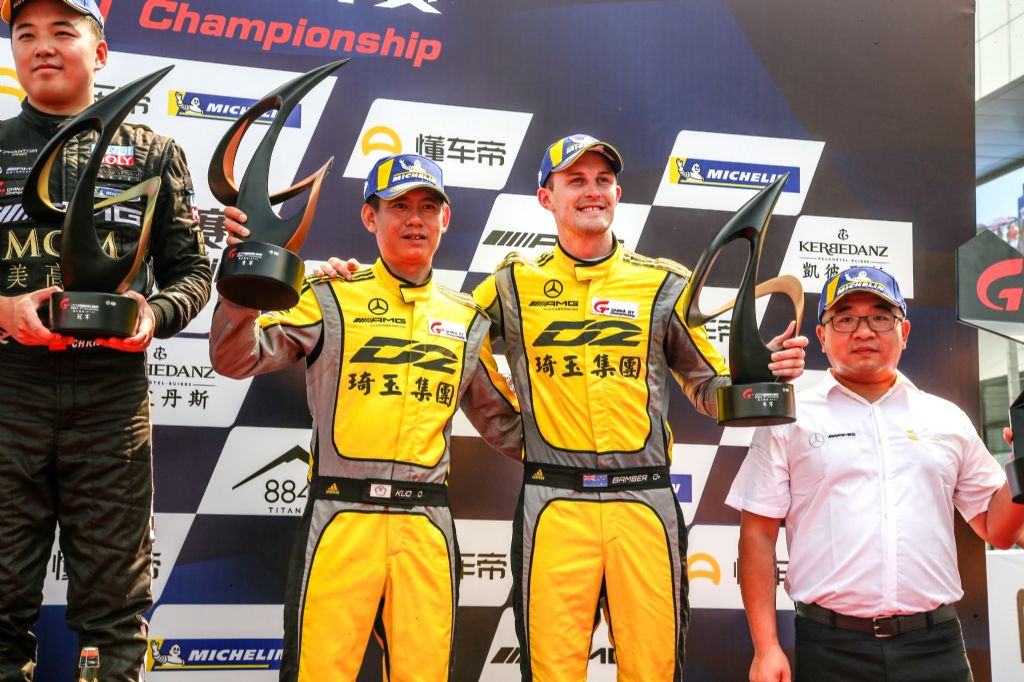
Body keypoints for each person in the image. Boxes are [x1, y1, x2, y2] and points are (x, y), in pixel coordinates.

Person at [311, 133, 808, 681]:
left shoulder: (663, 283)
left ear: (617, 193)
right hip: (554, 507)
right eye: (576, 180)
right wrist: (353, 287)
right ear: (547, 198)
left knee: (654, 671)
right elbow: (437, 329)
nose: (592, 191)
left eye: (602, 180)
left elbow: (708, 388)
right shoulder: (511, 284)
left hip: (642, 504)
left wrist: (759, 376)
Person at [211, 154, 521, 681]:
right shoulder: (330, 294)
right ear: (369, 217)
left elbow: (505, 425)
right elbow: (234, 358)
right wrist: (245, 286)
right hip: (339, 518)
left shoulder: (467, 319)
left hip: (424, 525)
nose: (415, 219)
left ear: (446, 219)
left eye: (428, 207)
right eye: (399, 206)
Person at [0, 0, 211, 679]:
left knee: (115, 616)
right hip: (9, 396)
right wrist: (3, 310)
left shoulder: (154, 152)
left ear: (99, 53)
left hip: (111, 401)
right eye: (25, 34)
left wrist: (155, 315)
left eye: (62, 31)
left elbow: (193, 273)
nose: (41, 46)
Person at [726, 266, 1024, 682]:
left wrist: (1022, 466)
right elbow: (757, 534)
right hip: (830, 648)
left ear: (904, 332)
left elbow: (998, 528)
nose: (863, 331)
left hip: (935, 647)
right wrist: (766, 647)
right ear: (821, 336)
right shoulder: (789, 419)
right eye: (845, 319)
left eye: (881, 317)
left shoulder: (946, 418)